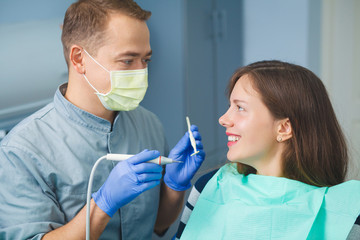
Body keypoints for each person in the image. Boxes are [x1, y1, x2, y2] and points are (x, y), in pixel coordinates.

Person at [0, 0, 205, 239]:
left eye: (145, 60)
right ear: (79, 59)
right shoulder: (21, 151)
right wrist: (103, 205)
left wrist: (173, 187)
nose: (141, 72)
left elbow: (159, 226)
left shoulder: (149, 124)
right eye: (128, 60)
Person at [175, 60, 360, 239]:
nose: (223, 119)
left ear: (284, 128)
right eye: (229, 106)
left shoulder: (347, 212)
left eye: (240, 107)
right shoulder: (209, 187)